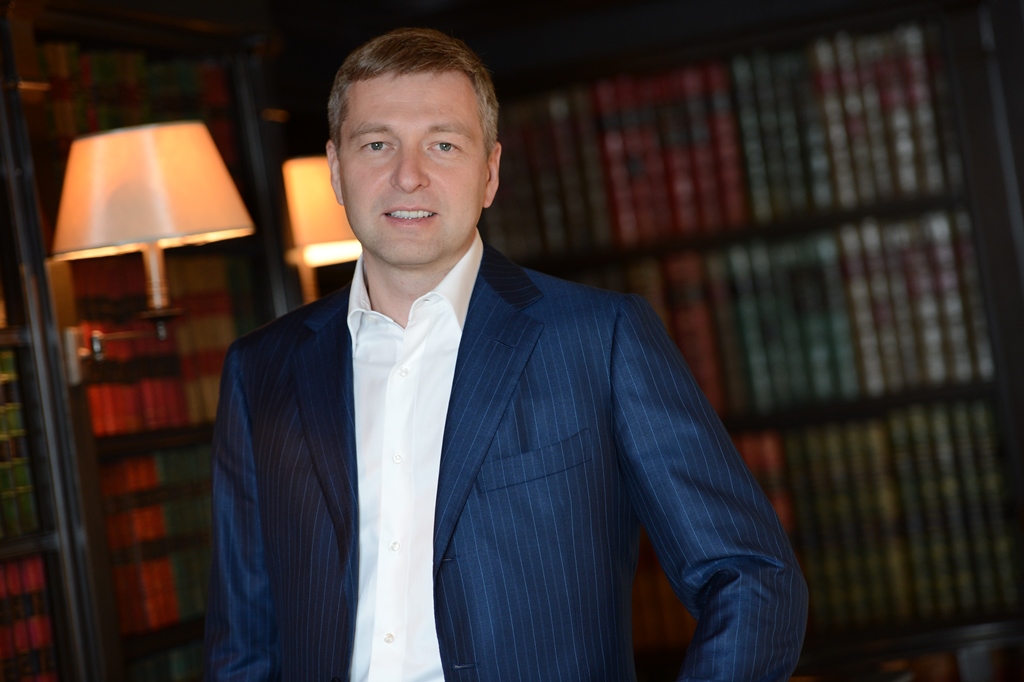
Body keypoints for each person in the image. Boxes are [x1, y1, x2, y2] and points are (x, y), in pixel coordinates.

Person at [203, 27, 808, 682]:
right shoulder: (259, 371)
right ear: (335, 171)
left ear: (489, 173)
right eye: (377, 144)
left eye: (443, 145)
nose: (408, 175)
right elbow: (243, 644)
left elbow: (753, 576)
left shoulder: (600, 339)